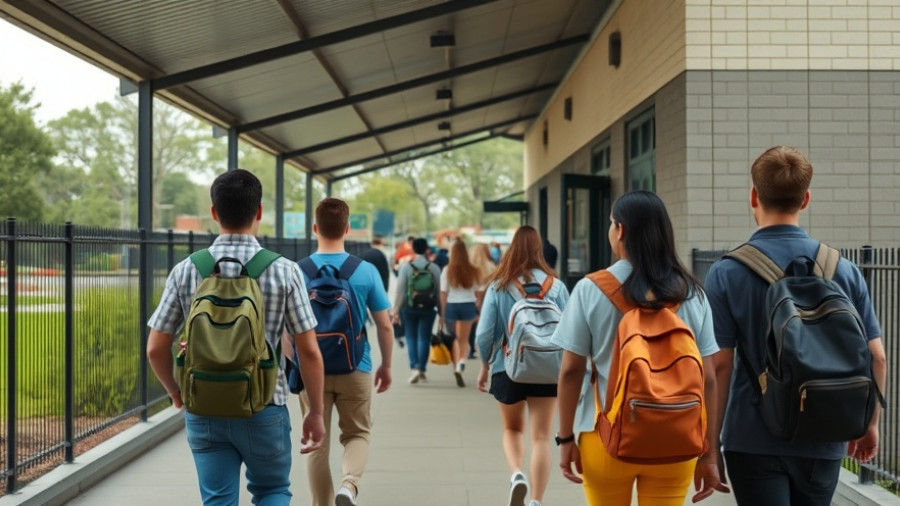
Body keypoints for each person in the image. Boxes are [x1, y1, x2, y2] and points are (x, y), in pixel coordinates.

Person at [704, 146, 886, 506]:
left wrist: (709, 448)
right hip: (824, 432)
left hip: (751, 438)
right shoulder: (843, 270)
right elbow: (876, 357)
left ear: (754, 196)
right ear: (805, 199)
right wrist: (869, 424)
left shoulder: (726, 273)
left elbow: (719, 367)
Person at [146, 169, 325, 506]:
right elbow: (310, 352)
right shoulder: (285, 270)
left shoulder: (187, 269)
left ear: (214, 213)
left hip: (204, 406)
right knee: (272, 491)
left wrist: (176, 392)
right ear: (258, 212)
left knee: (218, 500)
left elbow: (156, 348)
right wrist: (315, 412)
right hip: (265, 403)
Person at [553, 190, 727, 505]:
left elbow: (570, 372)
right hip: (677, 439)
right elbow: (709, 377)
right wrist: (709, 453)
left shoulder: (590, 290)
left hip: (605, 437)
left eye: (610, 224)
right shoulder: (692, 293)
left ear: (620, 230)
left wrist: (565, 438)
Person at [300, 198, 394, 506]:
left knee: (316, 444)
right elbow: (385, 325)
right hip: (357, 366)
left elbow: (288, 330)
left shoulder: (299, 271)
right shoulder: (364, 270)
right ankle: (348, 487)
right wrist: (386, 366)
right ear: (347, 228)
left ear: (315, 228)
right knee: (357, 434)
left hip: (311, 371)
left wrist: (293, 367)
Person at [475, 226, 569, 506]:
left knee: (512, 430)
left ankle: (517, 474)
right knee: (541, 437)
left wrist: (484, 364)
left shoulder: (499, 285)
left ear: (511, 249)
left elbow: (484, 334)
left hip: (508, 366)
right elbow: (570, 331)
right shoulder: (558, 286)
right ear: (539, 250)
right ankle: (537, 501)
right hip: (548, 370)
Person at [393, 237, 441, 384]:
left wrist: (396, 310)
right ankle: (422, 369)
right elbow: (439, 291)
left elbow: (400, 290)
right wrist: (441, 312)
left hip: (409, 307)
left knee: (411, 338)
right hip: (428, 308)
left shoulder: (407, 267)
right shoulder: (434, 268)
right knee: (424, 339)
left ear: (413, 249)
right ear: (427, 249)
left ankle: (414, 367)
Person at [439, 238, 482, 387]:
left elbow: (443, 293)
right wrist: (479, 306)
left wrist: (442, 314)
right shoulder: (473, 270)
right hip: (468, 305)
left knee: (454, 339)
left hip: (452, 305)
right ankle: (462, 362)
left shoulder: (447, 270)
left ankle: (456, 364)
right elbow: (478, 291)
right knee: (464, 340)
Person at [468, 243, 497, 359]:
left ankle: (469, 347)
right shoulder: (489, 266)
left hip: (471, 298)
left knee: (471, 323)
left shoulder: (468, 267)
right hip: (485, 298)